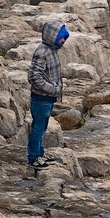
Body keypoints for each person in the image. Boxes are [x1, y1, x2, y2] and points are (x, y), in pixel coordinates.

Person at [27, 20, 69, 169]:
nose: (63, 41)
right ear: (52, 36)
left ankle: (40, 153)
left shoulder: (52, 50)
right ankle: (33, 158)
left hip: (47, 98)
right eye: (61, 37)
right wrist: (51, 89)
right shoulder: (42, 52)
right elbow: (33, 77)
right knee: (38, 127)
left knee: (42, 127)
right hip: (41, 99)